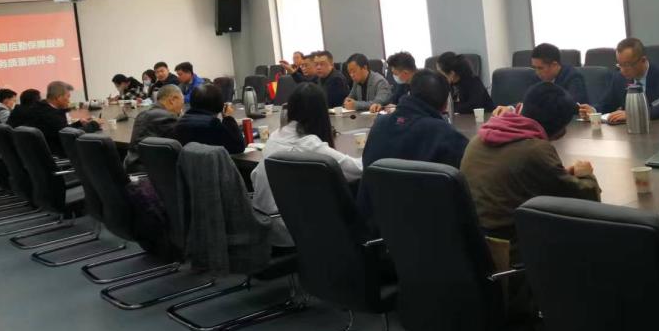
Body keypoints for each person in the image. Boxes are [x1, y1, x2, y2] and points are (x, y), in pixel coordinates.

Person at [462, 81, 600, 257]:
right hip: (513, 251)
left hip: (474, 246)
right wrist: (586, 175)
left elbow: (518, 176)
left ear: (521, 107)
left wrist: (561, 173)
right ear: (560, 131)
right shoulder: (536, 150)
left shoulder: (478, 139)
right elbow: (585, 201)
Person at [251, 83, 363, 247]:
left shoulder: (276, 135)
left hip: (266, 223)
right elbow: (357, 170)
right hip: (293, 230)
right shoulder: (309, 144)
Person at [357, 70, 470, 221]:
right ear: (445, 105)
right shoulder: (448, 137)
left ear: (410, 93)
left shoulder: (379, 125)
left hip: (377, 224)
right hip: (430, 227)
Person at [579, 37, 659, 124]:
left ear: (643, 60)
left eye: (627, 65)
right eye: (620, 65)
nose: (623, 70)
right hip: (627, 132)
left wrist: (634, 114)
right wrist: (593, 111)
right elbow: (606, 104)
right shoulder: (619, 78)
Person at [9, 81, 101, 156]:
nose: (69, 100)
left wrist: (78, 123)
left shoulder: (41, 107)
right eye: (68, 97)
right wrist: (94, 124)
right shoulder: (49, 114)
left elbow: (62, 129)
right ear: (59, 98)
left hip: (44, 149)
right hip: (58, 152)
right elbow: (71, 137)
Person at [124, 84, 184, 172]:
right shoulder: (167, 117)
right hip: (147, 171)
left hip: (131, 164)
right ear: (172, 100)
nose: (182, 107)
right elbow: (179, 145)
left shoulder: (142, 114)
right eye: (182, 102)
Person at [173, 83, 244, 154]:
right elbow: (238, 147)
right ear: (219, 105)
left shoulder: (180, 123)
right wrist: (228, 118)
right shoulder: (212, 124)